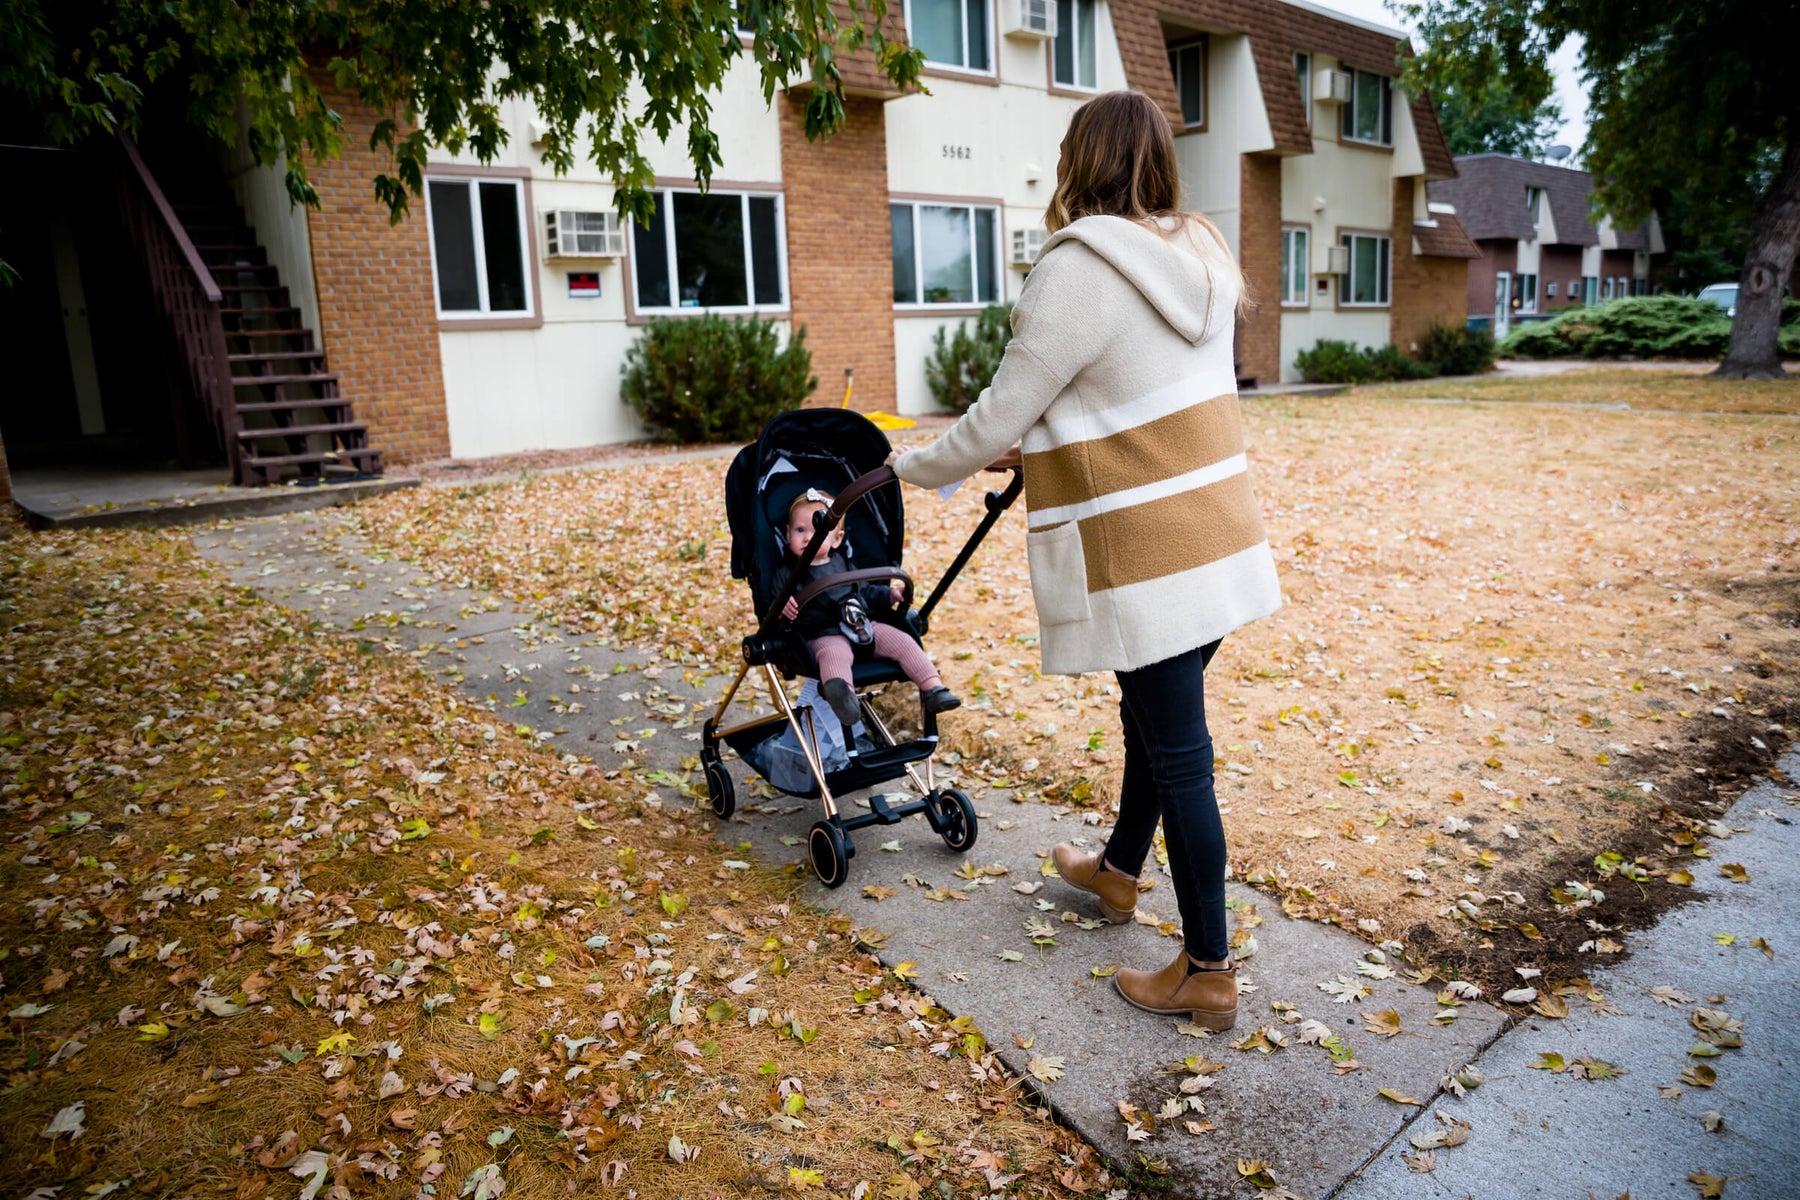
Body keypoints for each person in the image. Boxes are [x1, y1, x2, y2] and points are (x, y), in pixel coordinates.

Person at [886, 91, 1282, 1031]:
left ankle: (1209, 968)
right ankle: (1116, 873)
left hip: (1142, 556)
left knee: (1181, 756)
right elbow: (1130, 392)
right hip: (1216, 538)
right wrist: (1055, 442)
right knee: (1156, 719)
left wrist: (906, 468)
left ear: (1079, 160)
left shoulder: (1075, 270)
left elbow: (1000, 413)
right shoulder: (1202, 254)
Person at [780, 490, 961, 733]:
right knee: (834, 656)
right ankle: (843, 699)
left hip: (861, 625)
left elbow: (864, 592)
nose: (808, 538)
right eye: (800, 530)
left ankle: (933, 688)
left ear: (836, 539)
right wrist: (782, 607)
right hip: (824, 633)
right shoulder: (786, 574)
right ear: (787, 533)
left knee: (903, 641)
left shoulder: (844, 563)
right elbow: (774, 607)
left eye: (818, 532)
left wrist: (890, 595)